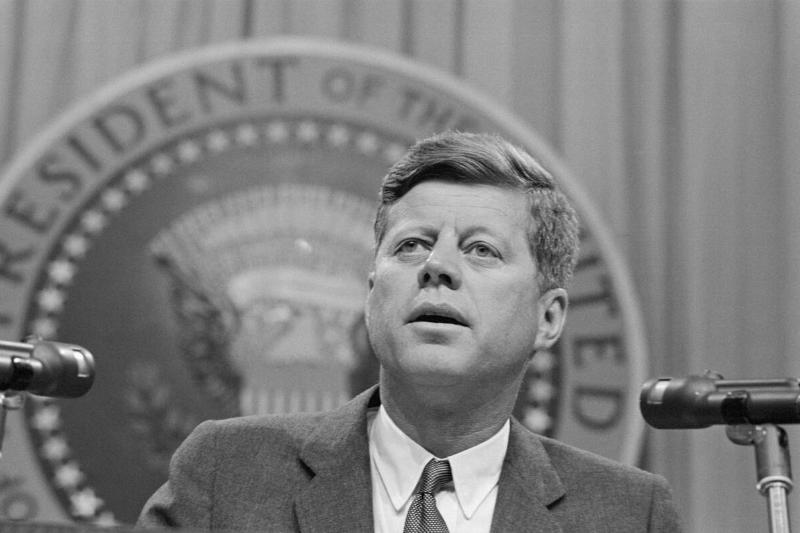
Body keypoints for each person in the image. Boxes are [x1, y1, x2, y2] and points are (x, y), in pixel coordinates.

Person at [137, 131, 682, 532]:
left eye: (481, 250)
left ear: (549, 318)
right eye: (411, 245)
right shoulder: (228, 473)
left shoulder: (630, 514)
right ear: (372, 292)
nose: (436, 267)